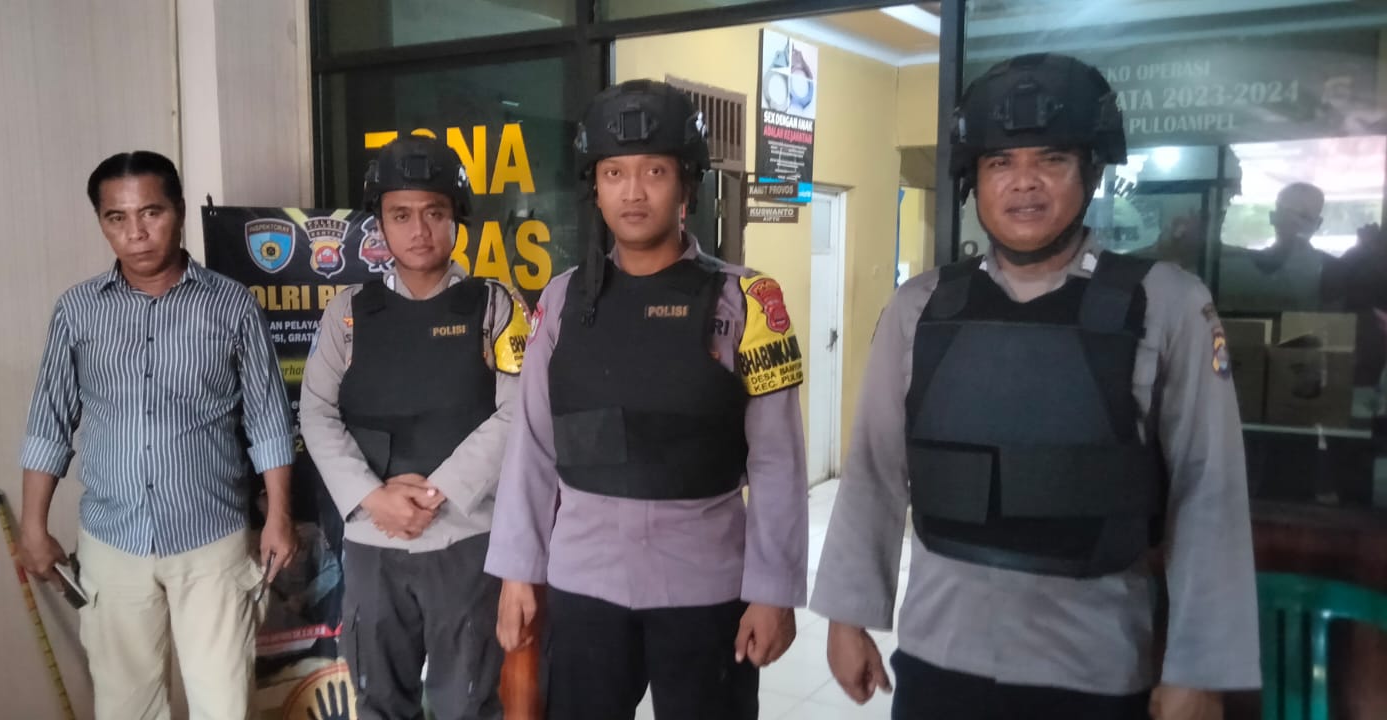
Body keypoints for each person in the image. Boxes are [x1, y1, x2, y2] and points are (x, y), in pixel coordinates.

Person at [814, 53, 1261, 720]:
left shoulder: (1166, 304)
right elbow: (875, 471)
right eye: (1000, 162)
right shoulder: (921, 306)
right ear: (974, 179)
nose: (1024, 182)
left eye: (1051, 159)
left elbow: (1209, 491)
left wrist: (1201, 669)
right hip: (939, 655)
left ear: (1091, 172)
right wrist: (847, 615)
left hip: (1095, 668)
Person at [484, 79, 809, 720]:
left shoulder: (746, 301)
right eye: (614, 173)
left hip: (706, 587)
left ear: (686, 186)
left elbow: (778, 463)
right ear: (595, 188)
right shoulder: (560, 301)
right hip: (584, 586)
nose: (633, 192)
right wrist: (518, 571)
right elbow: (533, 447)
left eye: (654, 172)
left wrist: (774, 591)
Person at [17, 150, 297, 720]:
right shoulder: (77, 312)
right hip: (112, 542)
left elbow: (268, 419)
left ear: (180, 212)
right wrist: (33, 525)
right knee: (126, 707)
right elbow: (49, 422)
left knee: (223, 704)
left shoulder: (231, 306)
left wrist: (279, 516)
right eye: (116, 218)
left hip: (211, 540)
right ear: (101, 223)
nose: (136, 233)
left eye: (151, 212)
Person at [298, 134, 528, 720]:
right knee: (379, 703)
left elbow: (518, 411)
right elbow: (317, 412)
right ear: (380, 224)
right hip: (374, 540)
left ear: (458, 219)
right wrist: (373, 496)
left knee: (467, 704)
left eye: (435, 212)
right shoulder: (348, 312)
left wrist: (436, 491)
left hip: (466, 540)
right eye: (401, 215)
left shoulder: (495, 307)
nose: (419, 230)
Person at [1218, 182, 1337, 312]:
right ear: (1273, 217)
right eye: (1285, 213)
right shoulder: (1238, 266)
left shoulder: (1333, 272)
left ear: (1318, 224)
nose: (1292, 222)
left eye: (1303, 216)